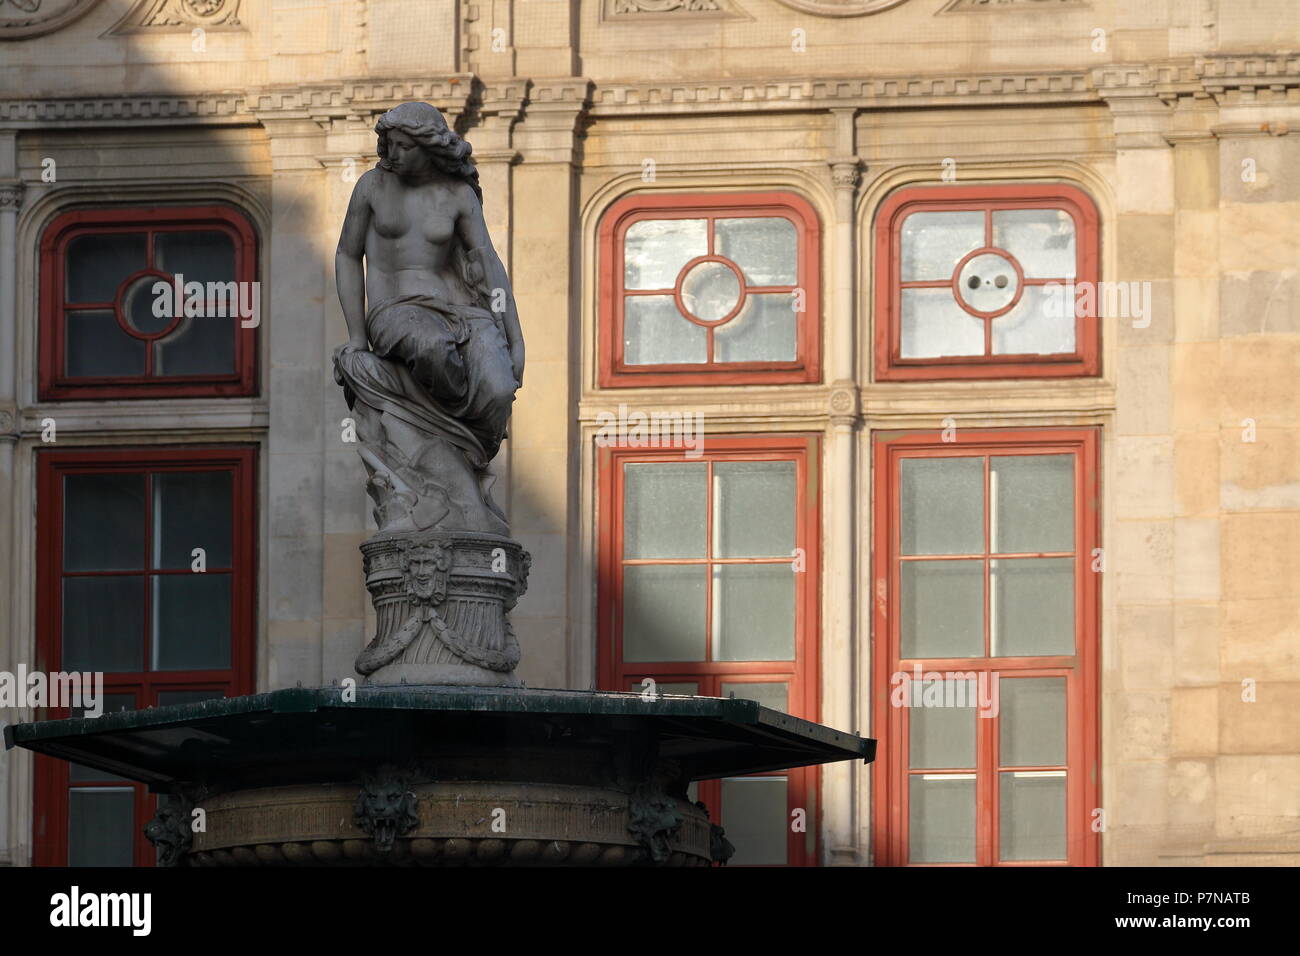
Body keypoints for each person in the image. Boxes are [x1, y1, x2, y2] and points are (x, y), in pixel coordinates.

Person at [333, 102, 524, 535]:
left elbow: (487, 262)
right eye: (390, 145)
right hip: (395, 311)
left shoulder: (456, 195)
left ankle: (465, 452)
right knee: (429, 346)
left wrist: (514, 336)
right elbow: (347, 254)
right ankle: (443, 432)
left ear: (428, 147)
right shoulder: (372, 188)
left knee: (497, 387)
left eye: (404, 146)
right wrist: (357, 337)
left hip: (462, 311)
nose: (393, 154)